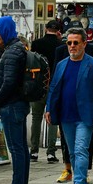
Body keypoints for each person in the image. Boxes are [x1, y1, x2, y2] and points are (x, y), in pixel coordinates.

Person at [44, 26, 93, 184]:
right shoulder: (62, 64)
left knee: (80, 149)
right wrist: (49, 108)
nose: (72, 46)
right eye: (69, 43)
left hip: (85, 115)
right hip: (66, 115)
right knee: (72, 152)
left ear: (84, 43)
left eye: (76, 43)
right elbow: (54, 87)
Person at [0, 16, 31, 184]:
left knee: (16, 148)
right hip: (19, 104)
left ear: (5, 31)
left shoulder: (11, 53)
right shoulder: (18, 49)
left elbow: (8, 82)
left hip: (11, 105)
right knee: (22, 147)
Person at [29, 20, 61, 163]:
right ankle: (51, 152)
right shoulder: (61, 45)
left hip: (38, 84)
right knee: (52, 117)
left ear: (46, 29)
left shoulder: (36, 44)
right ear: (58, 30)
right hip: (54, 84)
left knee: (36, 117)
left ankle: (34, 151)